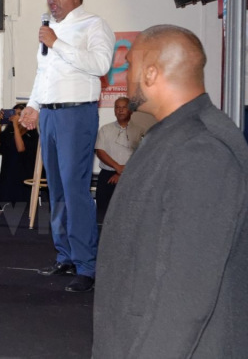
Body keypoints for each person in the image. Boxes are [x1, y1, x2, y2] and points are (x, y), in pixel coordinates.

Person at [93, 25, 248, 358]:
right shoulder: (175, 135)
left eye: (129, 64)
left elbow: (185, 294)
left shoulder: (202, 150)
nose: (124, 74)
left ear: (151, 73)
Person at [20, 0, 115, 293]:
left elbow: (101, 65)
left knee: (75, 191)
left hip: (77, 113)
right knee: (57, 191)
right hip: (49, 114)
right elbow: (43, 73)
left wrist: (57, 43)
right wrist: (33, 105)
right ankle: (66, 257)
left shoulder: (93, 25)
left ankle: (88, 266)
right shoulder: (50, 30)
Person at [94, 96, 145, 221]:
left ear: (131, 110)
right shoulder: (105, 129)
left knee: (128, 215)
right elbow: (100, 151)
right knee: (103, 214)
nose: (120, 110)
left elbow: (142, 155)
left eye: (124, 107)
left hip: (131, 176)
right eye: (117, 107)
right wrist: (118, 167)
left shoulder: (140, 131)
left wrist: (122, 172)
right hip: (107, 177)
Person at [0, 103, 39, 205]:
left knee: (22, 210)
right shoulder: (8, 133)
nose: (16, 117)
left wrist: (16, 127)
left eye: (20, 114)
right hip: (7, 176)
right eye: (15, 114)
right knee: (3, 209)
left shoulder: (32, 133)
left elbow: (20, 148)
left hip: (24, 177)